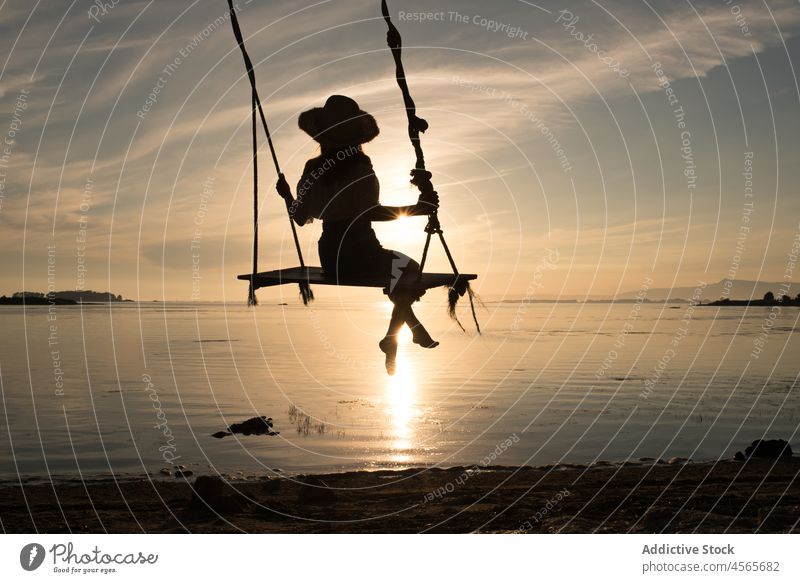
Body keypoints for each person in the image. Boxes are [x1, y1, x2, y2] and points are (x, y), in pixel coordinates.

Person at [275, 95, 439, 375]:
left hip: (330, 256)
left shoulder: (312, 169)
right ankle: (393, 336)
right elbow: (369, 213)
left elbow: (300, 217)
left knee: (399, 276)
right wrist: (417, 209)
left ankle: (407, 332)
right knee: (408, 268)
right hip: (360, 252)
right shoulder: (359, 166)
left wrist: (287, 194)